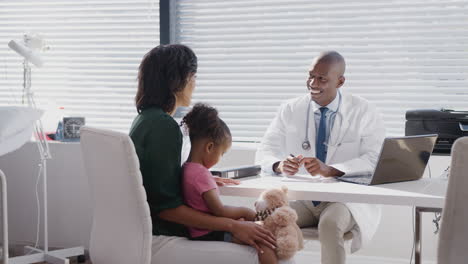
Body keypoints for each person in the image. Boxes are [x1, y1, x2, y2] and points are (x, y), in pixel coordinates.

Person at [129, 44, 293, 264]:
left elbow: (154, 184)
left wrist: (191, 179)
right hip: (162, 237)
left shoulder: (145, 120)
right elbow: (166, 210)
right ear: (178, 79)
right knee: (275, 253)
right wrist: (234, 225)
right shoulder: (164, 126)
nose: (194, 84)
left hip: (144, 233)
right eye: (193, 77)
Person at [256, 51, 386, 264]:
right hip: (304, 196)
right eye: (310, 76)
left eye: (322, 79)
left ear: (340, 81)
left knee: (330, 224)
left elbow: (375, 159)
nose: (313, 83)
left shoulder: (363, 110)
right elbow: (265, 150)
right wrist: (279, 165)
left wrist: (332, 169)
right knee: (270, 220)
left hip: (343, 200)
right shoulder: (290, 108)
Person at [181, 103, 278, 264]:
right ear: (210, 147)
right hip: (208, 233)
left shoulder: (187, 169)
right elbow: (219, 210)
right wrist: (245, 212)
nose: (221, 158)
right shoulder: (201, 174)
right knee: (264, 242)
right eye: (222, 153)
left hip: (197, 231)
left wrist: (210, 180)